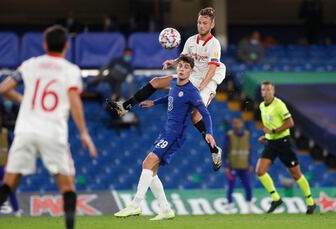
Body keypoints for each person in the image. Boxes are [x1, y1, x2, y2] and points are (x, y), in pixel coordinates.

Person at [0, 25, 97, 229]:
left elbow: (3, 88)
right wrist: (84, 133)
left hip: (25, 131)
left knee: (9, 181)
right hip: (53, 131)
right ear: (67, 46)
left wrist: (23, 100)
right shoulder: (70, 70)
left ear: (45, 44)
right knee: (67, 185)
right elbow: (73, 99)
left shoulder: (30, 64)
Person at [107, 7, 225, 170]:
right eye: (199, 22)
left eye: (205, 23)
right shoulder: (191, 40)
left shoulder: (214, 44)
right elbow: (184, 59)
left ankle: (214, 150)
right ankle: (124, 107)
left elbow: (211, 70)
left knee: (195, 116)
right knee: (156, 81)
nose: (201, 26)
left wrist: (200, 88)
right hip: (192, 74)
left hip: (208, 79)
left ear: (212, 24)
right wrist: (174, 62)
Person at [114, 55, 216, 220]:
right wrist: (154, 102)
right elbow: (172, 97)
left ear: (191, 71)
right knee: (152, 171)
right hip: (166, 131)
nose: (182, 69)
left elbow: (204, 112)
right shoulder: (173, 83)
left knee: (147, 162)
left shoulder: (192, 92)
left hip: (175, 135)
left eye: (186, 67)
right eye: (180, 66)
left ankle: (135, 205)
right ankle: (166, 209)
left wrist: (209, 132)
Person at [256, 81, 316, 214]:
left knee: (295, 174)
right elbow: (270, 125)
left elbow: (290, 122)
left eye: (268, 90)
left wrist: (275, 131)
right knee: (260, 171)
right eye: (263, 90)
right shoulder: (262, 106)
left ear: (273, 91)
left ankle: (310, 201)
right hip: (271, 143)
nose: (265, 92)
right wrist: (266, 135)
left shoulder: (279, 105)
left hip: (283, 142)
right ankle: (276, 199)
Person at [224, 117, 253, 213]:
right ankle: (229, 205)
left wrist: (250, 164)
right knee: (231, 186)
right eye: (234, 123)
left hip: (244, 166)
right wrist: (225, 166)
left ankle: (249, 205)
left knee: (248, 186)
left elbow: (249, 150)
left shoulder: (247, 135)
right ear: (232, 125)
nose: (236, 125)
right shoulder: (229, 135)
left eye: (238, 123)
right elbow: (224, 151)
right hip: (232, 166)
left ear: (242, 124)